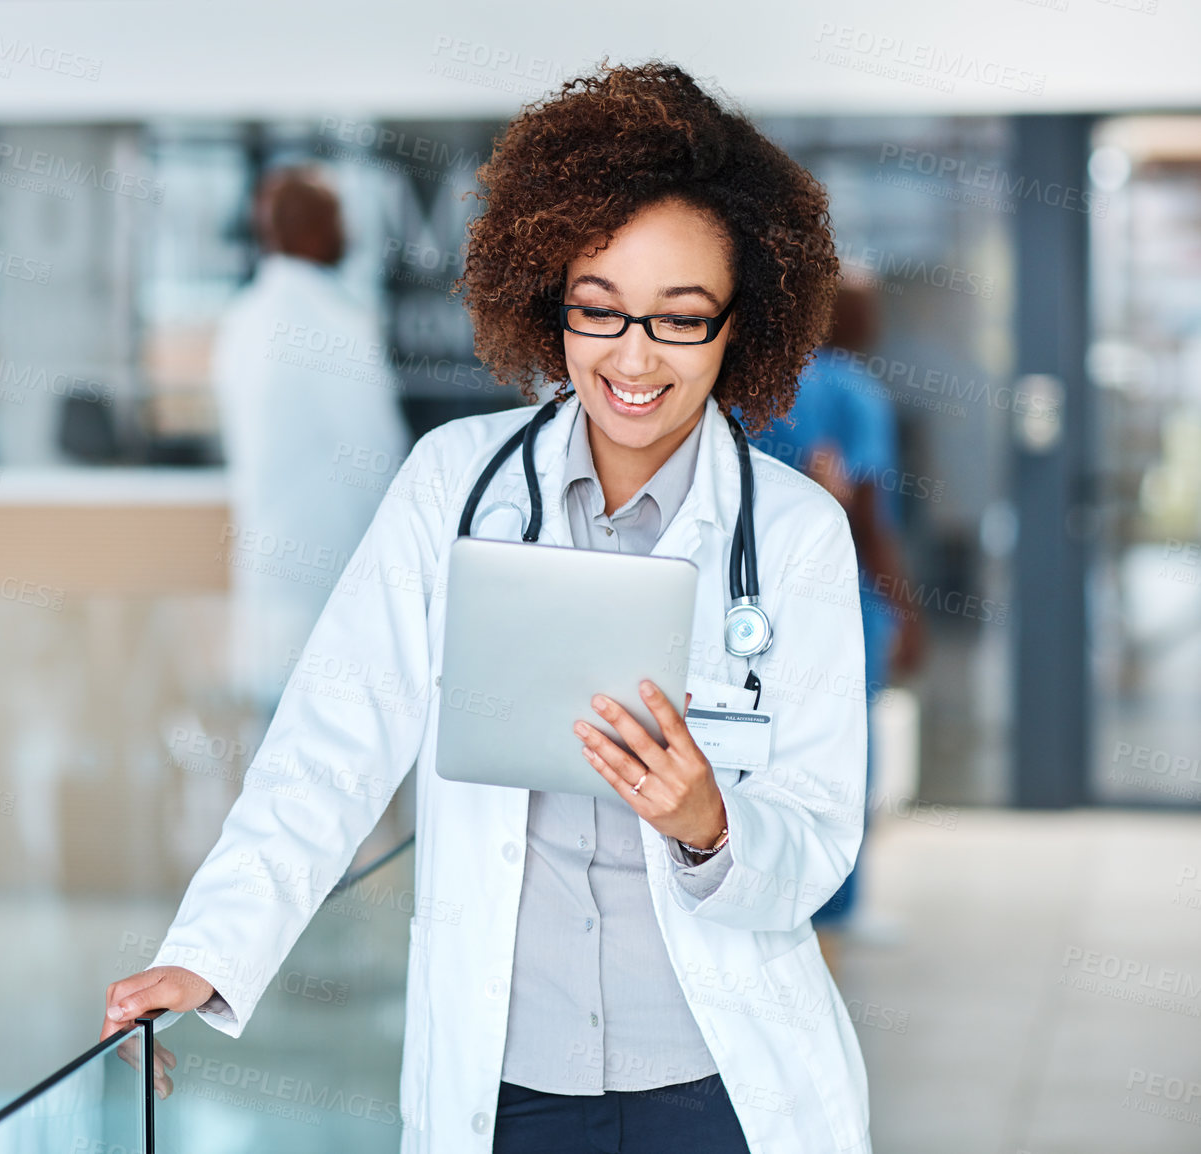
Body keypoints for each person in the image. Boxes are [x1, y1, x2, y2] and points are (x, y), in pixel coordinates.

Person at [106, 61, 871, 1154]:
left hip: (721, 1088)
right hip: (509, 1091)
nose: (634, 357)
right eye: (597, 310)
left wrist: (711, 825)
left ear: (742, 325)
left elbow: (821, 833)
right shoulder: (451, 486)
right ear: (546, 296)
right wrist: (211, 947)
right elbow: (333, 740)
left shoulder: (793, 536)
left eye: (680, 319)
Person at [749, 276, 926, 958]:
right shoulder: (852, 389)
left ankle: (778, 894)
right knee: (846, 752)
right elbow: (866, 515)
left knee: (772, 748)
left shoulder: (757, 387)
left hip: (759, 599)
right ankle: (839, 903)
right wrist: (905, 611)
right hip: (838, 600)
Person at [210, 165, 410, 712]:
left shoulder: (243, 319)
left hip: (270, 581)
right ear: (313, 231)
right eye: (338, 219)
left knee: (275, 764)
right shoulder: (336, 323)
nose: (349, 233)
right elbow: (378, 460)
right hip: (336, 578)